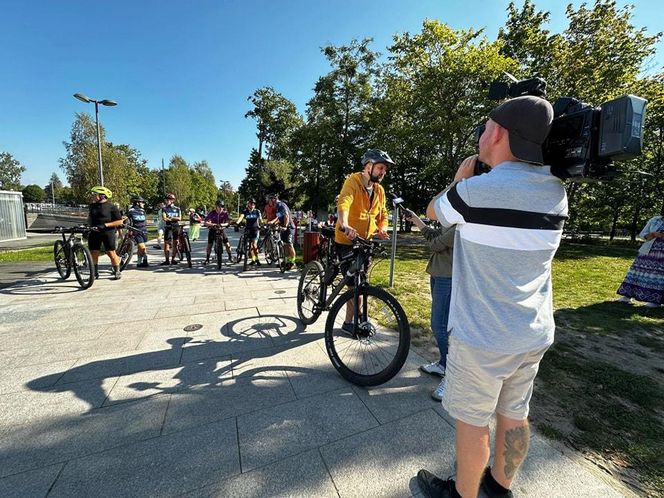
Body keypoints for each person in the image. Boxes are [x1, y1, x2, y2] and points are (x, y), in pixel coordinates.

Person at [418, 96, 568, 498]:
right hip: (532, 333)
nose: (481, 136)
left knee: (472, 424)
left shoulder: (473, 192)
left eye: (484, 128)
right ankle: (499, 490)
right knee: (515, 415)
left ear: (499, 133)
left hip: (482, 337)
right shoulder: (556, 191)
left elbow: (434, 212)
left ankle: (463, 495)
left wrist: (459, 178)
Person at [336, 149, 392, 334]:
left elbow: (382, 214)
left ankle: (348, 322)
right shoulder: (353, 181)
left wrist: (382, 229)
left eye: (384, 169)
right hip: (346, 238)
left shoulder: (379, 190)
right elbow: (344, 201)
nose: (383, 172)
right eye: (381, 168)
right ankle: (360, 320)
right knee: (353, 284)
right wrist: (344, 223)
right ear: (369, 166)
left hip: (365, 241)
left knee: (360, 283)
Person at [403, 209, 455, 401]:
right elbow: (434, 235)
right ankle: (443, 364)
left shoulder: (460, 227)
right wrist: (416, 219)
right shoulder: (450, 224)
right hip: (438, 274)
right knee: (441, 324)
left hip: (447, 278)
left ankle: (452, 375)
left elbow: (435, 244)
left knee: (439, 325)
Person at [616, 206, 664, 307]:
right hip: (647, 251)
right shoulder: (655, 219)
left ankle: (655, 301)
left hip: (662, 255)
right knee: (637, 272)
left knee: (657, 276)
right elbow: (642, 234)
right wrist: (652, 235)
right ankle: (627, 296)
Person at [87, 186, 125, 280]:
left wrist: (105, 225)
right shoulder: (92, 206)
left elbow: (119, 222)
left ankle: (117, 271)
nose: (92, 196)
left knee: (111, 253)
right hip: (94, 231)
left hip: (107, 232)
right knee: (93, 252)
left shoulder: (112, 207)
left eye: (94, 194)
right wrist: (87, 226)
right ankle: (94, 273)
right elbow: (90, 218)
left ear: (102, 196)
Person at [266, 193, 296, 270]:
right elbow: (279, 218)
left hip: (289, 228)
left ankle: (292, 262)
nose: (268, 201)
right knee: (285, 245)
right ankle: (285, 261)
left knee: (289, 245)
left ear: (273, 199)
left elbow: (286, 216)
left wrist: (285, 226)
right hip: (283, 228)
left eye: (269, 200)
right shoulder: (277, 207)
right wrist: (272, 223)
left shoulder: (281, 205)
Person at [204, 200, 233, 264]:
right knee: (209, 245)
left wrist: (223, 225)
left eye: (222, 206)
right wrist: (212, 224)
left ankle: (230, 257)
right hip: (212, 230)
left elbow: (228, 222)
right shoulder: (212, 213)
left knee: (227, 244)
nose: (221, 208)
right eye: (219, 206)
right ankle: (207, 259)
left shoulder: (225, 213)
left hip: (221, 229)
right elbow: (206, 222)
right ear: (216, 206)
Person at [236, 198, 262, 266]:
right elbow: (241, 217)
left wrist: (262, 224)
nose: (252, 205)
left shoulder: (257, 211)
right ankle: (253, 259)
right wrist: (237, 222)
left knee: (254, 244)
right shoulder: (245, 211)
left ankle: (257, 259)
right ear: (248, 204)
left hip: (255, 229)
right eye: (251, 204)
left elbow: (260, 219)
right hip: (248, 229)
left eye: (253, 204)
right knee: (250, 246)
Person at [126, 195, 149, 268]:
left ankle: (141, 262)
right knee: (142, 247)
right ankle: (143, 260)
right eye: (142, 202)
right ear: (137, 203)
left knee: (142, 247)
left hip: (144, 231)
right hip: (136, 231)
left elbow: (144, 221)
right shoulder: (131, 211)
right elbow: (125, 218)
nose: (143, 204)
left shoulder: (142, 211)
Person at [160, 193, 182, 265]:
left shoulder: (177, 209)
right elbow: (164, 218)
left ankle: (173, 259)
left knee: (175, 243)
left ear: (172, 200)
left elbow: (179, 218)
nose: (167, 201)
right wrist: (172, 218)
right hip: (168, 227)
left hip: (176, 226)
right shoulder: (164, 208)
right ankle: (167, 260)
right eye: (166, 200)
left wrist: (170, 218)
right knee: (166, 243)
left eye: (168, 200)